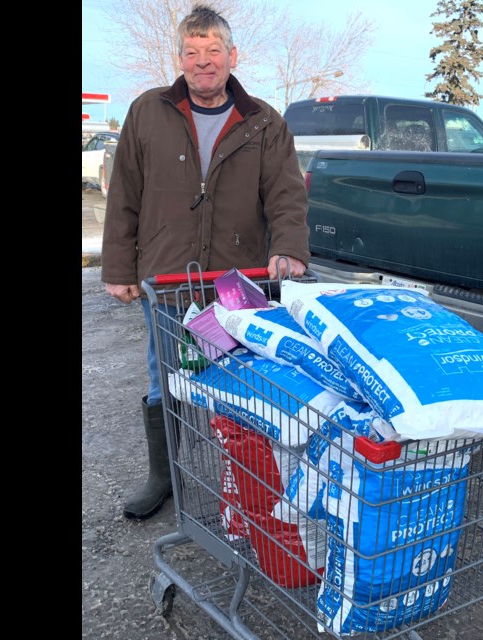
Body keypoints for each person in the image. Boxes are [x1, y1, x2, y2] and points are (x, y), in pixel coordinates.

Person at [100, 4, 310, 519]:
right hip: (167, 279)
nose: (203, 62)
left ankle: (240, 479)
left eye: (213, 51)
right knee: (164, 374)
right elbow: (125, 192)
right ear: (180, 58)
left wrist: (288, 248)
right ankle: (165, 476)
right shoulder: (148, 111)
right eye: (192, 53)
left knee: (240, 379)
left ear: (232, 56)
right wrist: (119, 269)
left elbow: (286, 196)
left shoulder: (264, 121)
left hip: (236, 284)